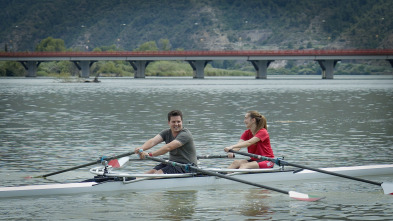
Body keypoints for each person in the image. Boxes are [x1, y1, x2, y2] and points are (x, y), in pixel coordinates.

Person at [134, 110, 197, 174]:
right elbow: (153, 141)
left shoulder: (185, 134)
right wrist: (141, 149)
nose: (176, 124)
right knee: (151, 172)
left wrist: (150, 154)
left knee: (158, 173)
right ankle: (134, 180)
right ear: (169, 122)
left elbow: (168, 147)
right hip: (173, 164)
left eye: (178, 122)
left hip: (187, 167)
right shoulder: (166, 133)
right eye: (173, 122)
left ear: (182, 122)